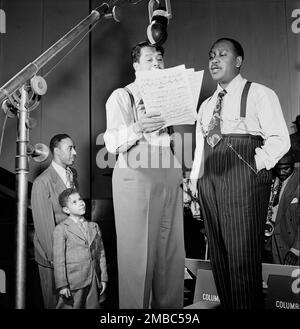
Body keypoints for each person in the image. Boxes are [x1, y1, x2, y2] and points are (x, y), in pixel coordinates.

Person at [190, 38, 290, 309]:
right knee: (220, 260)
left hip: (243, 181)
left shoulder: (259, 93)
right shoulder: (207, 105)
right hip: (209, 182)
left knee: (242, 260)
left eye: (222, 54)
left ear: (238, 61)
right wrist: (194, 187)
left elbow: (280, 139)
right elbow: (200, 149)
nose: (214, 60)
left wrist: (254, 165)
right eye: (211, 55)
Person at [104, 41, 185, 309]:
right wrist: (138, 126)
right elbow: (113, 144)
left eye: (160, 59)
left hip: (168, 169)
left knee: (171, 255)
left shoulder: (169, 97)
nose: (157, 64)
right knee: (137, 257)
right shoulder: (121, 96)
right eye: (149, 59)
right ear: (136, 65)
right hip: (136, 170)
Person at [31, 134, 78, 309]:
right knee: (55, 304)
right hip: (53, 257)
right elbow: (44, 227)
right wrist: (55, 260)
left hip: (72, 253)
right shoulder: (42, 182)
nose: (75, 152)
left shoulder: (72, 175)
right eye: (70, 148)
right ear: (56, 151)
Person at [53, 188, 107, 309]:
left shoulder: (94, 226)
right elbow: (58, 260)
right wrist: (62, 285)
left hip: (94, 279)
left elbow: (101, 254)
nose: (81, 203)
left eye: (80, 199)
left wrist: (103, 278)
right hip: (74, 282)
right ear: (66, 209)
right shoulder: (61, 229)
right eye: (74, 202)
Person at [265, 151, 300, 265]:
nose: (281, 172)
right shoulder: (272, 178)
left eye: (286, 169)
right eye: (278, 168)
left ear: (293, 165)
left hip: (290, 244)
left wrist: (296, 250)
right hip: (271, 243)